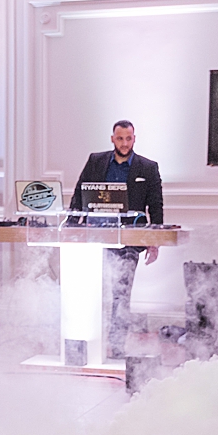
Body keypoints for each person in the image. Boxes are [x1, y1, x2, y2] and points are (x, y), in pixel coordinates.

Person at [69, 121, 165, 358]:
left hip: (130, 240)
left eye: (128, 139)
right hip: (96, 236)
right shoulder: (96, 161)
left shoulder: (148, 167)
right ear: (112, 139)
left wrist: (155, 239)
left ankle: (117, 344)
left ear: (134, 139)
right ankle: (83, 341)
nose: (124, 143)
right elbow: (79, 193)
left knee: (121, 293)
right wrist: (71, 229)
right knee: (91, 290)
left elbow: (156, 206)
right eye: (120, 139)